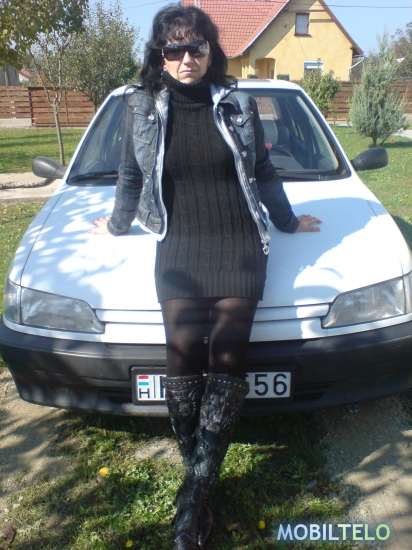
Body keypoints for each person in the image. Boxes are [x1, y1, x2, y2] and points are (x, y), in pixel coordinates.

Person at [89, 4, 321, 549]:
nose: (186, 58)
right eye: (174, 49)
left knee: (227, 361)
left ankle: (191, 504)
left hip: (239, 245)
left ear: (210, 51)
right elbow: (130, 175)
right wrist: (118, 224)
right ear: (160, 55)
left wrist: (288, 220)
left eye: (195, 47)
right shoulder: (140, 108)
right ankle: (198, 484)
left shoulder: (237, 103)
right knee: (182, 358)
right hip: (178, 248)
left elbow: (261, 171)